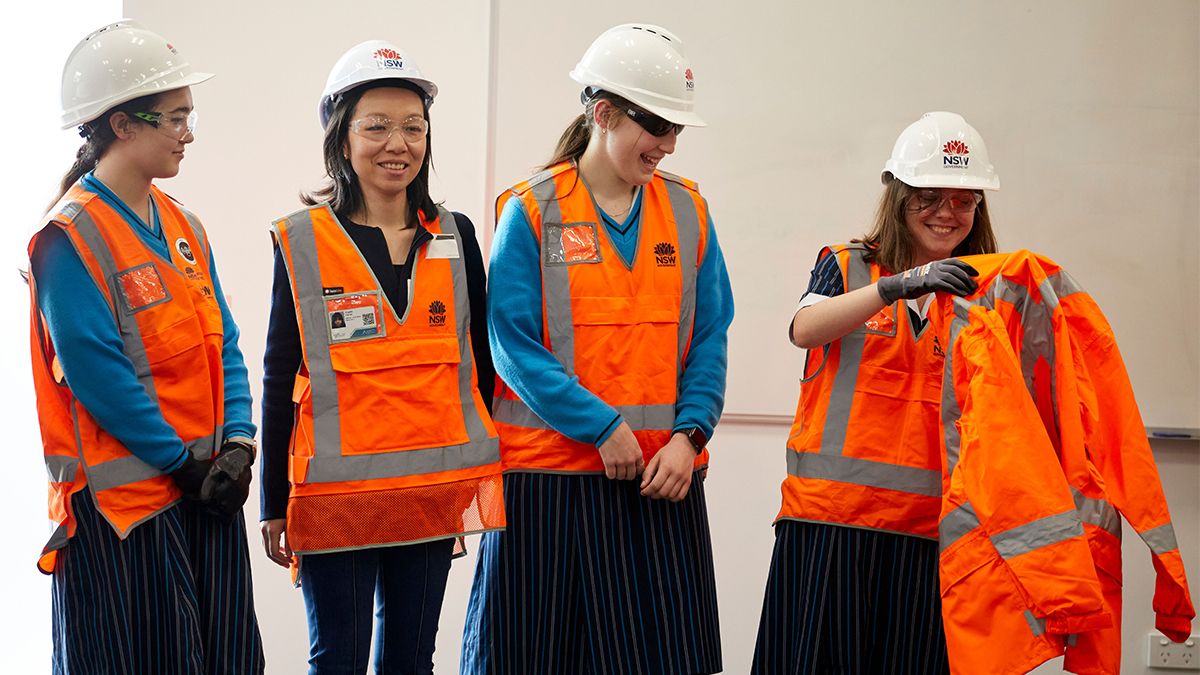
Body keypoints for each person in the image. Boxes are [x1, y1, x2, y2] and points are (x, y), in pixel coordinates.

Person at [461, 23, 734, 675]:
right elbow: (512, 345)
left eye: (675, 131)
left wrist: (689, 437)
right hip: (549, 486)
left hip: (661, 482)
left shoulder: (688, 211)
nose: (667, 146)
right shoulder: (531, 210)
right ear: (603, 113)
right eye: (656, 127)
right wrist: (601, 426)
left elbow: (710, 336)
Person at [259, 40, 505, 675]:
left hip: (428, 494)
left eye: (413, 127)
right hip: (335, 498)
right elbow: (280, 372)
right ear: (343, 140)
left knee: (411, 660)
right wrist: (270, 504)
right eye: (377, 127)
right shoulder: (305, 239)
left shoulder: (456, 235)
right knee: (335, 659)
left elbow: (479, 362)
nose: (398, 143)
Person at [28, 21, 263, 673]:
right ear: (122, 125)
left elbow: (227, 343)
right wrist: (179, 461)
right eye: (175, 117)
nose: (188, 132)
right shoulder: (68, 238)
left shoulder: (184, 223)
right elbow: (97, 373)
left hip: (207, 493)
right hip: (126, 513)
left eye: (190, 115)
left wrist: (240, 444)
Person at [751, 111, 999, 675]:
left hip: (931, 534)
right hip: (831, 525)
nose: (946, 213)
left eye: (964, 201)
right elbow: (803, 330)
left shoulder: (984, 293)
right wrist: (900, 286)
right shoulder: (848, 267)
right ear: (897, 195)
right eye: (928, 197)